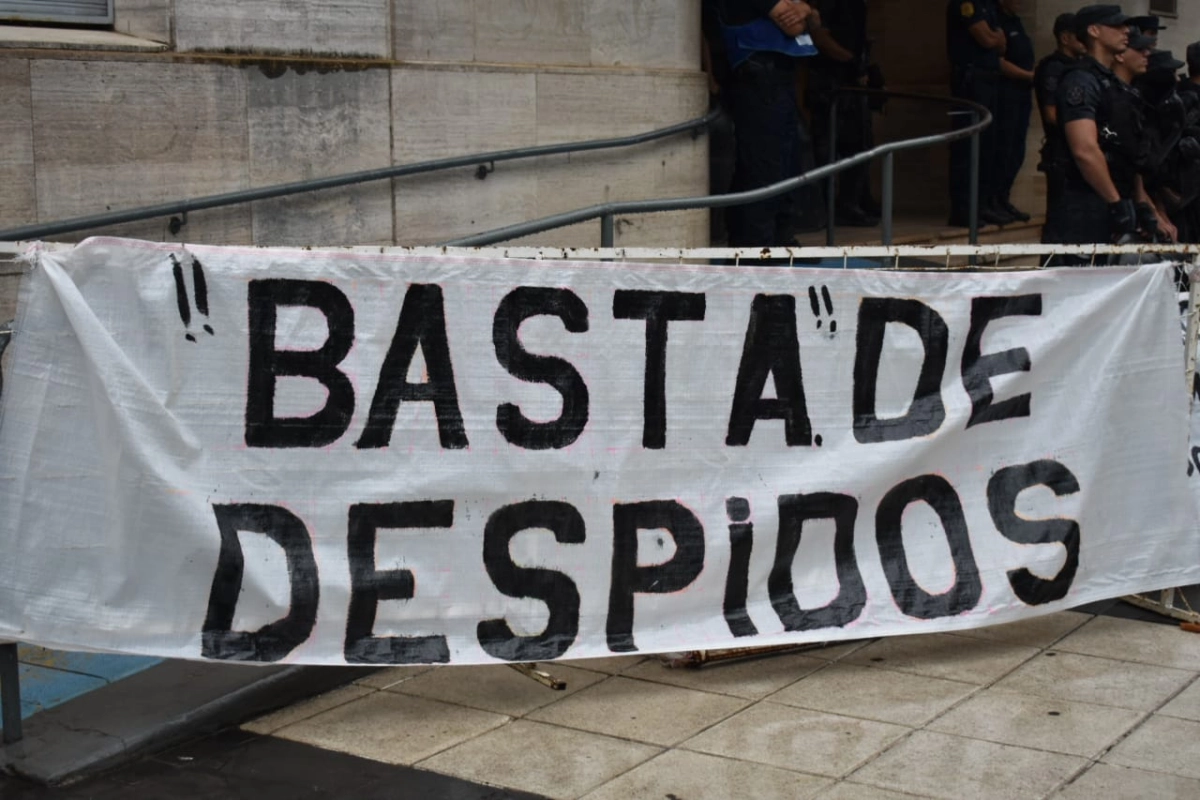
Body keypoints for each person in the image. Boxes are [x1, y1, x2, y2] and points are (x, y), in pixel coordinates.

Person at [1049, 5, 1158, 252]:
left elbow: (1128, 149)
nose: (1126, 30)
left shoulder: (1112, 84)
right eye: (1117, 26)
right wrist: (1116, 202)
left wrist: (1139, 202)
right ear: (1094, 31)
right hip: (1084, 202)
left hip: (1115, 197)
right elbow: (1085, 149)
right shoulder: (1081, 80)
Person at [715, 0, 820, 247]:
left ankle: (781, 239)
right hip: (757, 76)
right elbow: (794, 27)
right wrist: (805, 11)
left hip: (776, 77)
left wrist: (805, 10)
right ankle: (756, 249)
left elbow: (815, 20)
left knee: (787, 163)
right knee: (764, 167)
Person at [807, 0, 878, 226]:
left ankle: (852, 202)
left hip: (850, 84)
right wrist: (851, 61)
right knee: (827, 149)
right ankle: (825, 208)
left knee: (859, 145)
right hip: (830, 85)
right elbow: (819, 37)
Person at [946, 0, 1010, 227]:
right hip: (971, 80)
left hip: (988, 79)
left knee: (987, 147)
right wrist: (996, 38)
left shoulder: (988, 5)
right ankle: (963, 209)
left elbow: (1002, 46)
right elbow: (987, 39)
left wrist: (996, 39)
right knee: (967, 146)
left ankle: (981, 205)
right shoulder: (968, 3)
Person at [1035, 13, 1085, 242]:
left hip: (1073, 154)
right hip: (1061, 154)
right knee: (1059, 221)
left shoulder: (1079, 67)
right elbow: (1051, 113)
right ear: (1065, 38)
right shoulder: (1054, 68)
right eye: (1079, 35)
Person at [994, 0, 1035, 223]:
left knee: (1016, 151)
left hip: (1021, 94)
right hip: (1005, 93)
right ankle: (992, 201)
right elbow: (997, 60)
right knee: (1002, 149)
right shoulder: (996, 19)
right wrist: (1029, 76)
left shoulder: (1015, 21)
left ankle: (1003, 199)